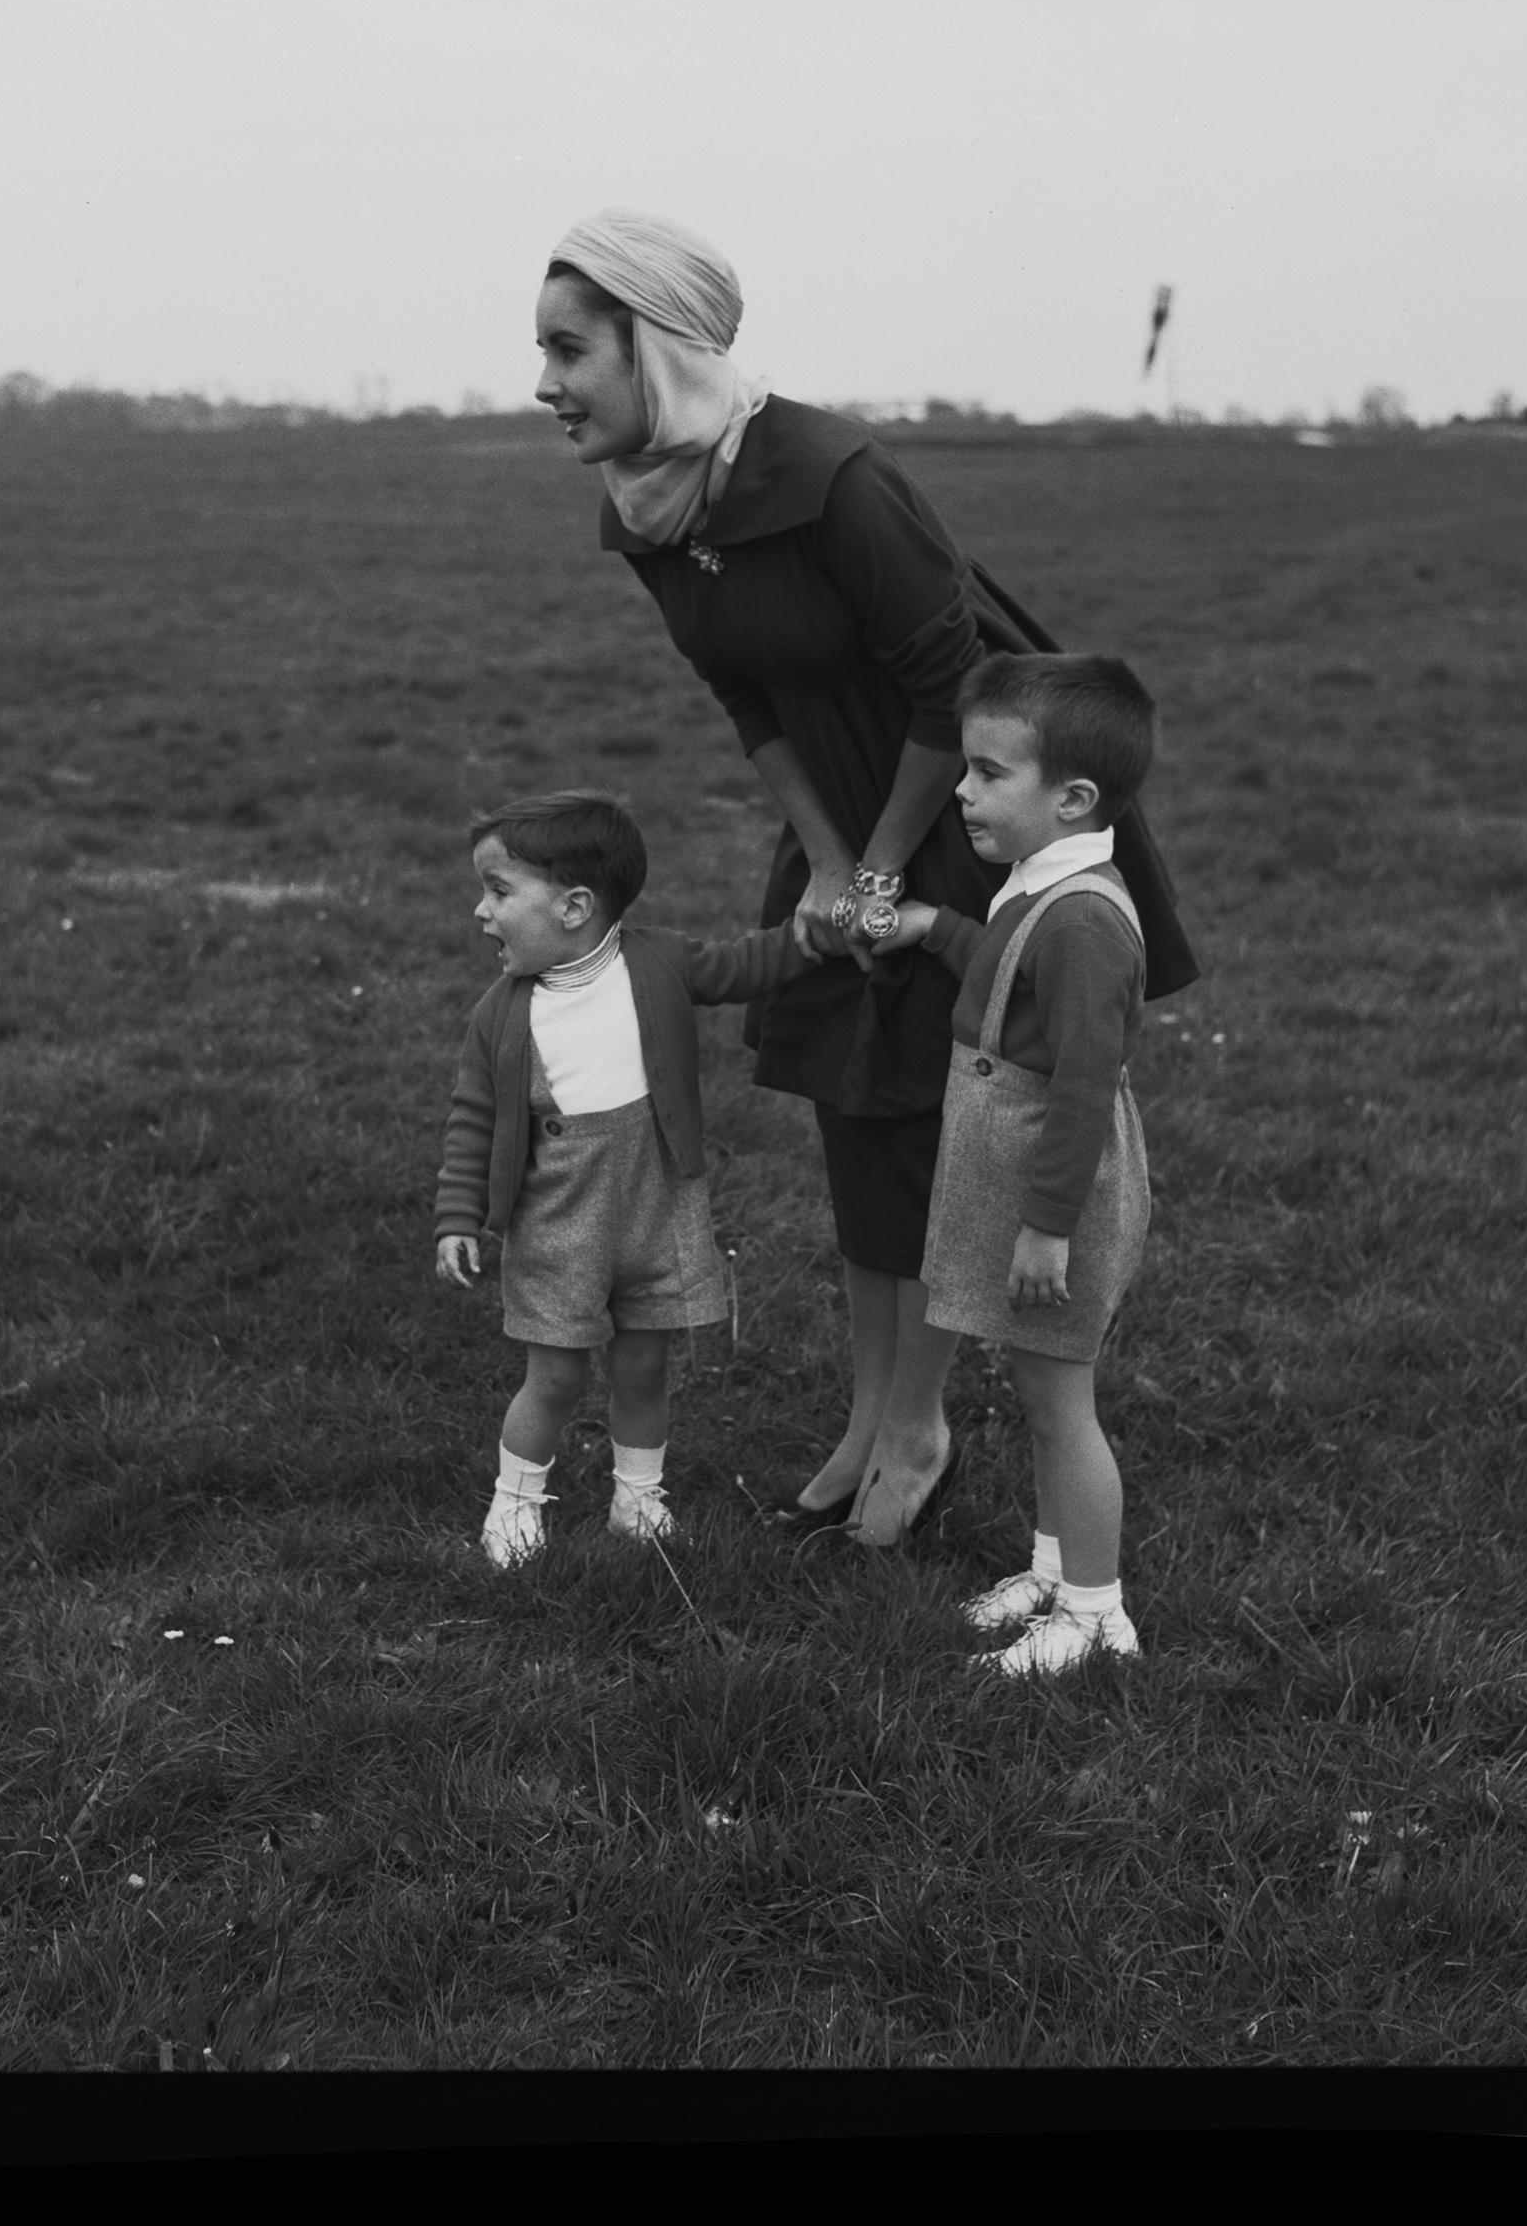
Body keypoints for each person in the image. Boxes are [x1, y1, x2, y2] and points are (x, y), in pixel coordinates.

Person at [535, 215, 1192, 1559]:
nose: (543, 383)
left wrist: (888, 858)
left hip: (952, 791)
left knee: (911, 1118)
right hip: (842, 812)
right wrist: (827, 861)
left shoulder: (836, 478)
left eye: (567, 351)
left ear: (655, 352)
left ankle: (916, 1432)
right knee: (849, 1107)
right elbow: (744, 694)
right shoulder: (651, 499)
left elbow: (951, 685)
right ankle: (869, 1419)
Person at [869, 656, 1157, 1683]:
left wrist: (1047, 1224)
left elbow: (1082, 1084)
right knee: (1037, 1390)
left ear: (1070, 798)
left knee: (1059, 1401)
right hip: (1024, 1184)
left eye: (987, 773)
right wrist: (931, 928)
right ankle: (1050, 1567)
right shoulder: (1042, 888)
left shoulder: (1082, 919)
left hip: (1053, 1195)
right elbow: (1007, 972)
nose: (961, 790)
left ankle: (1093, 1615)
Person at [433, 789, 795, 1571]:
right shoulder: (502, 1013)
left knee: (643, 1363)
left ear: (573, 907)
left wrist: (820, 934)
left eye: (497, 892)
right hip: (561, 1221)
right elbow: (473, 1119)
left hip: (658, 1205)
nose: (479, 912)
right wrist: (458, 1216)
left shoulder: (657, 960)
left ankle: (638, 1498)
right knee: (555, 1374)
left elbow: (747, 964)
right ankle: (517, 1501)